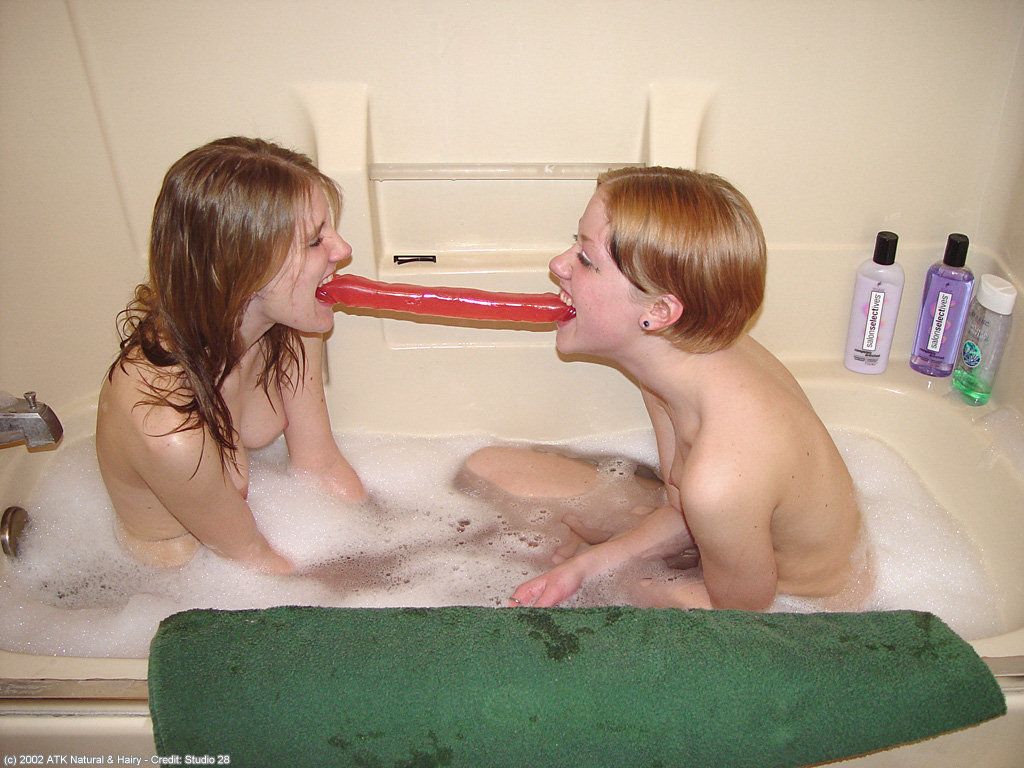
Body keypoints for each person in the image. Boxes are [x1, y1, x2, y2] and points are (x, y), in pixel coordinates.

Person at [462, 166, 869, 610]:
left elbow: (742, 620)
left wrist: (611, 584)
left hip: (790, 607)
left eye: (586, 259)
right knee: (484, 469)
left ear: (658, 311)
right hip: (720, 533)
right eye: (575, 243)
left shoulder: (723, 474)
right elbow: (682, 510)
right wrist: (584, 567)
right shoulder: (678, 356)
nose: (558, 265)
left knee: (589, 595)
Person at [96, 137, 365, 573]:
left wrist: (385, 535)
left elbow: (321, 466)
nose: (343, 250)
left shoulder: (290, 324)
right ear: (243, 267)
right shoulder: (166, 426)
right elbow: (254, 562)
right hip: (180, 578)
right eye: (316, 240)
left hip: (247, 545)